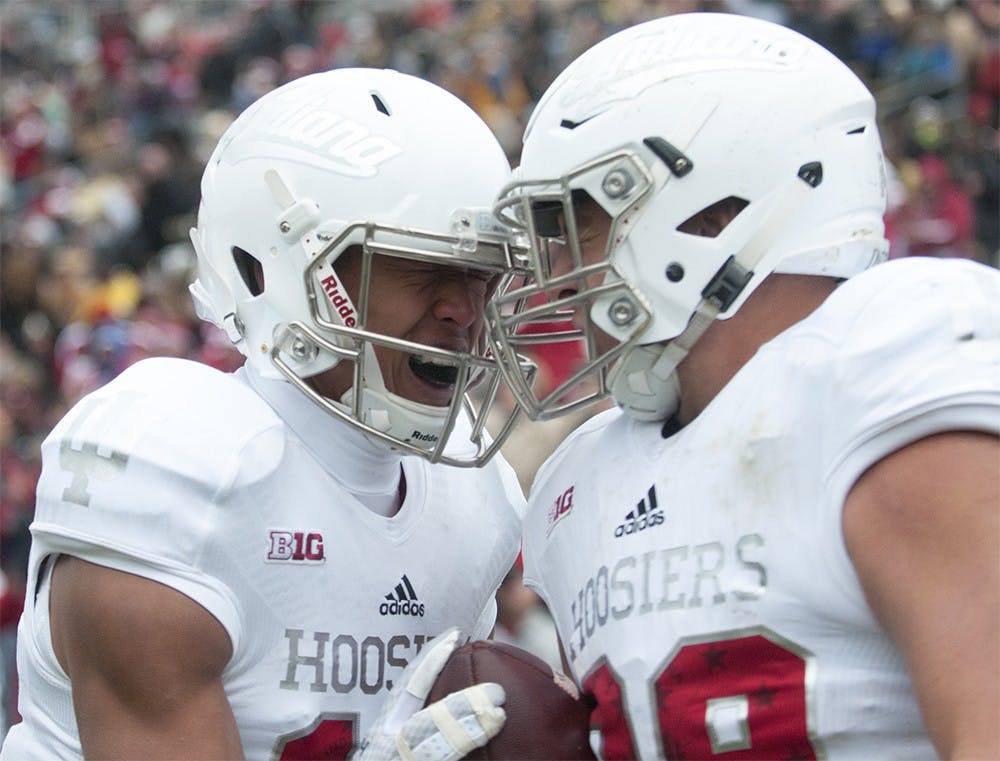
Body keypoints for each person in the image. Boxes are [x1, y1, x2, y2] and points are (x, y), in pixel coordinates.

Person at [485, 12, 1000, 760]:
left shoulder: (897, 353)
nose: (555, 271)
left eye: (579, 224)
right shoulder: (578, 481)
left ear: (715, 213)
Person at [1, 68, 529, 761]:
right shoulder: (179, 470)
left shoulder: (476, 490)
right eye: (418, 265)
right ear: (275, 267)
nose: (466, 309)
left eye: (483, 272)